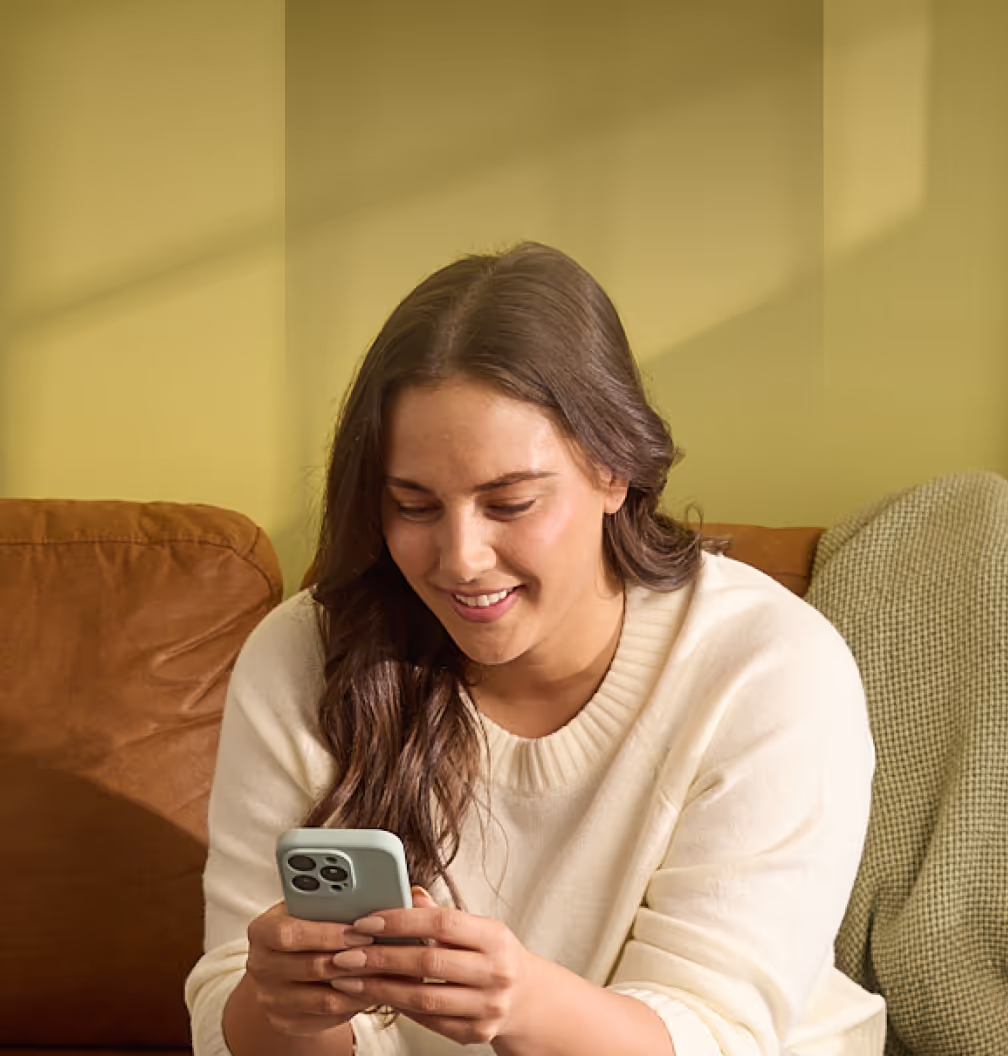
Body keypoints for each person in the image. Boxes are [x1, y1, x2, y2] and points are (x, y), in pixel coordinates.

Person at [184, 241, 887, 1056]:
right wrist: (288, 1009)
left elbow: (718, 1035)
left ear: (614, 469)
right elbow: (227, 1010)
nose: (460, 558)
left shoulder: (767, 667)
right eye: (413, 505)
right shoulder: (305, 654)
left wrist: (522, 1003)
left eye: (509, 502)